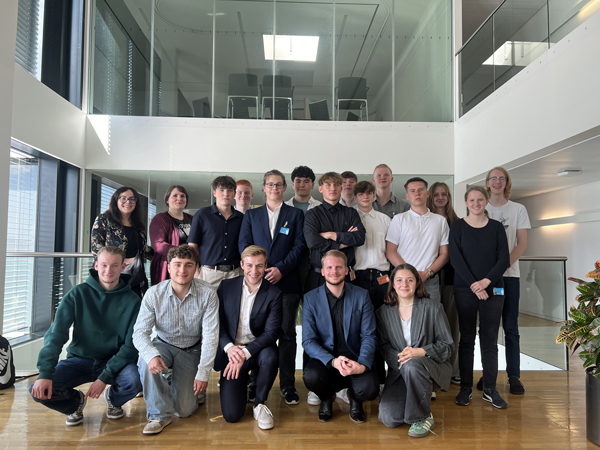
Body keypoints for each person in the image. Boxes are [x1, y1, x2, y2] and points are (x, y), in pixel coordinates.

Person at [29, 246, 142, 426]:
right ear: (96, 265)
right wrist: (45, 372)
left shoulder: (133, 300)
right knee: (39, 390)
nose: (108, 270)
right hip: (79, 360)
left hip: (113, 361)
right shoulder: (77, 294)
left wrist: (104, 378)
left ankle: (114, 399)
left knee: (136, 381)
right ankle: (75, 403)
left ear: (122, 268)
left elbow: (131, 346)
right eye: (104, 265)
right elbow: (56, 334)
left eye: (114, 266)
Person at [133, 244, 219, 435]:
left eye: (189, 265)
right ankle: (158, 415)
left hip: (191, 349)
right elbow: (139, 333)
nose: (182, 270)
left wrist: (203, 373)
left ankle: (176, 381)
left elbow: (211, 336)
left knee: (185, 410)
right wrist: (151, 355)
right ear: (168, 266)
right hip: (163, 344)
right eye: (177, 264)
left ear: (196, 268)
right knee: (145, 362)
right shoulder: (153, 293)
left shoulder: (208, 293)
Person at [238, 170, 306, 405]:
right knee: (258, 333)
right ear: (264, 188)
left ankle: (288, 385)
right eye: (270, 184)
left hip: (286, 282)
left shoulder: (295, 214)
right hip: (258, 284)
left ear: (284, 187)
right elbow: (244, 245)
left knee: (287, 335)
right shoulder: (251, 215)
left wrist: (281, 269)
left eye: (278, 184)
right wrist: (260, 270)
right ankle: (255, 382)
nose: (274, 188)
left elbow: (299, 246)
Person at [449, 186, 510, 410]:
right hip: (465, 289)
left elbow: (504, 258)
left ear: (486, 202)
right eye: (472, 200)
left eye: (480, 199)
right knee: (466, 339)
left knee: (490, 340)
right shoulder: (457, 227)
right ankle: (465, 387)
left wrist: (486, 282)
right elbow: (456, 259)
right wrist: (475, 286)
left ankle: (490, 389)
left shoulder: (496, 227)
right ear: (466, 202)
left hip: (493, 289)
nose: (476, 203)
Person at [377, 264, 453, 437]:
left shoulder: (433, 308)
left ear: (417, 284)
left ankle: (423, 417)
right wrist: (400, 357)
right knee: (388, 417)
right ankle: (415, 402)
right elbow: (383, 347)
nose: (404, 284)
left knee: (412, 365)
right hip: (399, 370)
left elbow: (448, 346)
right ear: (393, 284)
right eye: (399, 280)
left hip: (430, 367)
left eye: (410, 280)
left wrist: (420, 352)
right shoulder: (383, 312)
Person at [302, 250, 379, 423]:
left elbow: (369, 335)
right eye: (329, 267)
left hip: (355, 357)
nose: (334, 271)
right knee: (311, 377)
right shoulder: (310, 299)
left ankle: (355, 399)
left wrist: (362, 365)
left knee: (370, 388)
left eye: (338, 267)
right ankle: (326, 398)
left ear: (346, 270)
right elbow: (308, 341)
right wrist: (332, 361)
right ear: (322, 271)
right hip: (326, 359)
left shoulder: (362, 295)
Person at [215, 246, 283, 430]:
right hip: (232, 351)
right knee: (231, 416)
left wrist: (245, 353)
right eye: (250, 265)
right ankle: (242, 385)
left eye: (259, 266)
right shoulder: (226, 287)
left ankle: (260, 403)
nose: (254, 271)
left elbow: (271, 333)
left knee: (271, 355)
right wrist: (229, 348)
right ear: (242, 265)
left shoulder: (274, 294)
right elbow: (217, 324)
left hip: (257, 350)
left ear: (266, 266)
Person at [484, 166, 531, 396]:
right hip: (486, 280)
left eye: (502, 178)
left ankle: (514, 376)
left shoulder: (518, 209)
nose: (497, 182)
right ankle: (488, 374)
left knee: (511, 328)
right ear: (487, 182)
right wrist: (490, 275)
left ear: (507, 182)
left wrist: (500, 268)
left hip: (510, 277)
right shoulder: (480, 208)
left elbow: (521, 243)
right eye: (493, 178)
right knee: (489, 330)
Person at [352, 180, 391, 387]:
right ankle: (361, 377)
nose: (365, 197)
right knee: (359, 327)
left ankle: (382, 380)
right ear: (355, 197)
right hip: (357, 278)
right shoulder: (349, 217)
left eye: (369, 193)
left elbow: (391, 250)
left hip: (381, 279)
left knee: (381, 327)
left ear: (374, 195)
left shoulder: (385, 220)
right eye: (361, 194)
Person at [385, 177, 449, 304]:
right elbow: (390, 252)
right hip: (403, 281)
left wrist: (427, 273)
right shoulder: (399, 219)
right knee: (404, 320)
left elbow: (445, 254)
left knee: (431, 320)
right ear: (407, 196)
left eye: (421, 190)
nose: (417, 194)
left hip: (430, 280)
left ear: (428, 193)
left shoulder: (440, 221)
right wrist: (409, 274)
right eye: (413, 191)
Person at [303, 172, 366, 293]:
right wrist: (344, 243)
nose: (333, 188)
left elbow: (360, 237)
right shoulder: (312, 214)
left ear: (341, 188)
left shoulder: (351, 213)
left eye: (336, 184)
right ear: (320, 189)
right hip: (318, 276)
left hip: (346, 276)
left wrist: (331, 235)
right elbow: (312, 241)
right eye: (328, 185)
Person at [91, 186, 152, 298]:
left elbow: (144, 249)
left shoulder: (137, 225)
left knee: (135, 311)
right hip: (112, 277)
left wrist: (168, 255)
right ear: (116, 200)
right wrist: (124, 261)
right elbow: (97, 250)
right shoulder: (104, 219)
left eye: (132, 199)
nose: (128, 202)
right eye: (123, 198)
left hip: (136, 277)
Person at [427, 181, 461, 384]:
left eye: (444, 194)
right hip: (428, 278)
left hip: (450, 280)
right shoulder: (425, 219)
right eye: (437, 194)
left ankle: (453, 369)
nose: (440, 197)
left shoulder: (457, 222)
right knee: (431, 326)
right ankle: (432, 370)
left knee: (451, 325)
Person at [188, 176, 244, 287]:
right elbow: (192, 245)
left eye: (230, 190)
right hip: (209, 273)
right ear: (214, 193)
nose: (226, 194)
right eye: (221, 190)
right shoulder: (202, 215)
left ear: (234, 194)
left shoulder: (241, 218)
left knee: (234, 305)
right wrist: (196, 271)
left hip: (235, 273)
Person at [284, 165, 321, 295]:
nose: (302, 184)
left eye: (306, 181)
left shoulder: (320, 208)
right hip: (289, 265)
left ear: (312, 185)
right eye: (298, 181)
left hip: (313, 266)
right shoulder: (284, 208)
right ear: (292, 184)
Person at [149, 185, 193, 286]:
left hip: (189, 265)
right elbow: (159, 245)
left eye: (183, 196)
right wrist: (186, 253)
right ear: (167, 200)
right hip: (167, 267)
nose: (179, 198)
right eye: (175, 196)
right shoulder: (160, 219)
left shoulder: (192, 219)